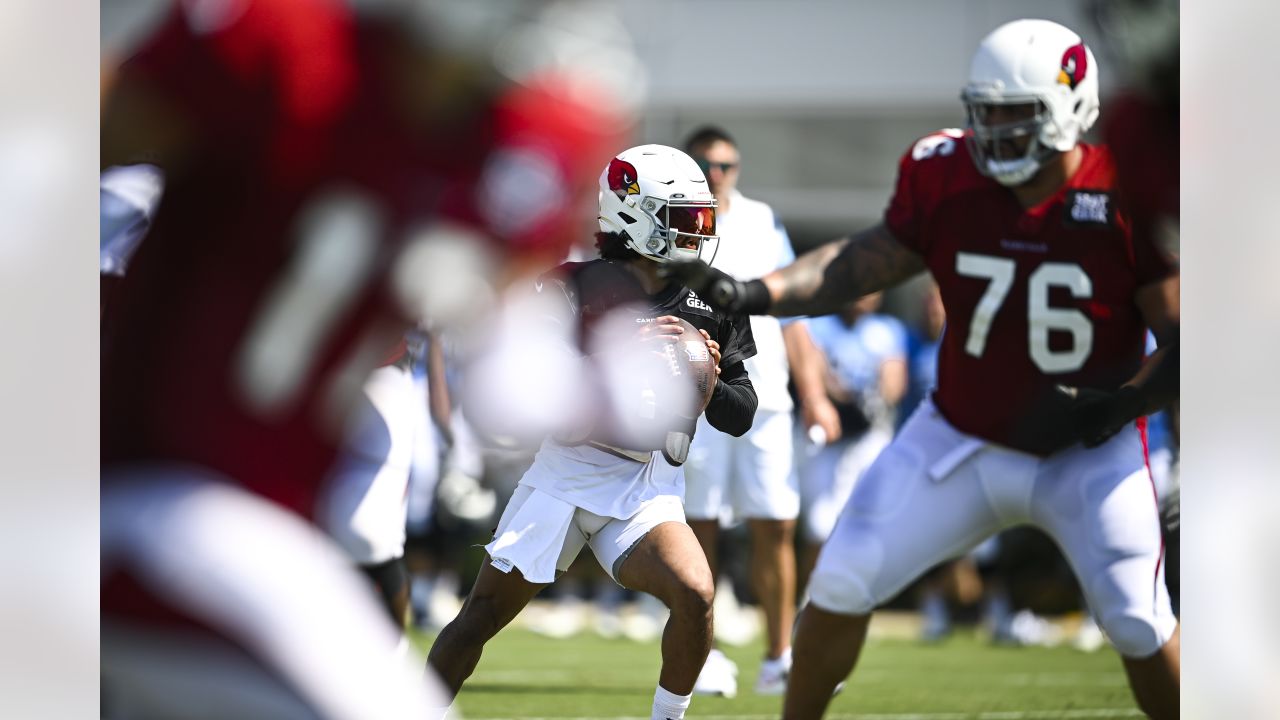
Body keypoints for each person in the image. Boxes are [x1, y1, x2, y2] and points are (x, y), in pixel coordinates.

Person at [99, 1, 633, 716]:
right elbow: (65, 139)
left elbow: (514, 388)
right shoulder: (280, 40)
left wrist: (602, 384)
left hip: (260, 511)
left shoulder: (521, 142)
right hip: (133, 489)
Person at [663, 19, 1180, 720]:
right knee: (842, 581)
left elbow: (1192, 335)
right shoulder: (946, 171)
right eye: (984, 110)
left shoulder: (1126, 185)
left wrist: (1124, 404)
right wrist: (756, 293)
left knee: (1135, 619)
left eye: (1014, 113)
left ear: (1072, 109)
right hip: (960, 434)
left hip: (1088, 446)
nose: (992, 129)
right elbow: (863, 262)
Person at [427, 144, 758, 720]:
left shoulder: (716, 298)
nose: (698, 233)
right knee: (479, 618)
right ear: (633, 214)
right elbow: (539, 392)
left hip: (645, 486)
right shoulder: (571, 286)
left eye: (701, 219)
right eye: (683, 218)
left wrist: (706, 389)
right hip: (565, 476)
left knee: (697, 593)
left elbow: (741, 412)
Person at [678, 126, 840, 697]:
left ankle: (779, 658)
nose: (716, 174)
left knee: (778, 524)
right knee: (700, 526)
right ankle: (706, 654)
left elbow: (794, 314)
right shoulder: (674, 217)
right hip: (699, 399)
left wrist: (816, 394)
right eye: (705, 164)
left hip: (766, 396)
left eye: (726, 165)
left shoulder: (764, 219)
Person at [797, 292, 906, 591]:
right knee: (821, 523)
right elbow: (816, 369)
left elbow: (894, 379)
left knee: (869, 522)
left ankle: (858, 598)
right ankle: (812, 597)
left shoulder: (886, 330)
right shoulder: (819, 325)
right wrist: (841, 395)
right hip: (829, 435)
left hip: (869, 436)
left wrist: (876, 400)